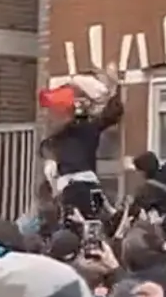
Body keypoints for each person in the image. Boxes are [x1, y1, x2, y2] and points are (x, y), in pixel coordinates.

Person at [38, 66, 123, 221]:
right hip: (91, 187)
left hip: (70, 191)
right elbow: (113, 113)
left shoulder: (54, 140)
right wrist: (116, 88)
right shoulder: (89, 129)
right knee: (99, 220)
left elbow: (50, 168)